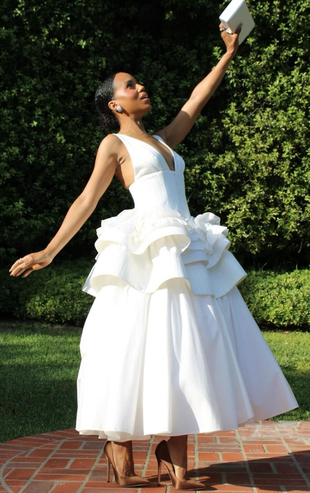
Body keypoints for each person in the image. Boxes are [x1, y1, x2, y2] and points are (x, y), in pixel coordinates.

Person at [10, 24, 298, 491]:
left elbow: (194, 102)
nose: (140, 87)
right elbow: (86, 201)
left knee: (189, 343)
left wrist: (228, 54)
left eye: (138, 82)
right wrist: (48, 250)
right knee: (137, 347)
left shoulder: (163, 141)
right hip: (149, 253)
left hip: (184, 250)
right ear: (115, 105)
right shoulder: (115, 145)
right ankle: (120, 444)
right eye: (130, 85)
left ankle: (173, 448)